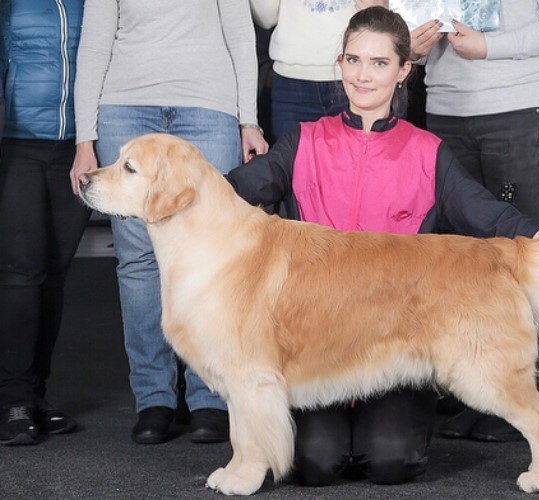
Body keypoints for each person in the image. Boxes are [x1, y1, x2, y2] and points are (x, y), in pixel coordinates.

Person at [225, 6, 539, 485]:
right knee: (315, 464)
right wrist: (177, 185)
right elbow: (229, 192)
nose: (363, 75)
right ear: (339, 63)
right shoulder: (302, 142)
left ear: (405, 70)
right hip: (317, 349)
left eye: (380, 63)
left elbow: (485, 212)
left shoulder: (428, 151)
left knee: (389, 462)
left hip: (397, 346)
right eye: (354, 60)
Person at [69, 0, 267, 445]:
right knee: (139, 259)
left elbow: (239, 32)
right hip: (125, 107)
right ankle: (154, 397)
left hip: (208, 109)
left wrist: (248, 120)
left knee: (216, 258)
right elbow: (95, 45)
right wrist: (86, 140)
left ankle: (211, 397)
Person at [407, 0, 539, 442]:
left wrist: (490, 45)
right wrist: (411, 49)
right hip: (445, 110)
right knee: (460, 268)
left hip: (517, 109)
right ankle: (477, 391)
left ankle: (522, 394)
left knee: (521, 257)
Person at [0, 0, 91, 446]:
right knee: (21, 274)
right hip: (16, 145)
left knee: (54, 276)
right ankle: (12, 399)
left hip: (75, 149)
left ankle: (36, 394)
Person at [250, 0, 386, 143]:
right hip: (292, 80)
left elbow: (391, 16)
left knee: (361, 161)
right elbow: (265, 18)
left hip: (356, 75)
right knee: (294, 162)